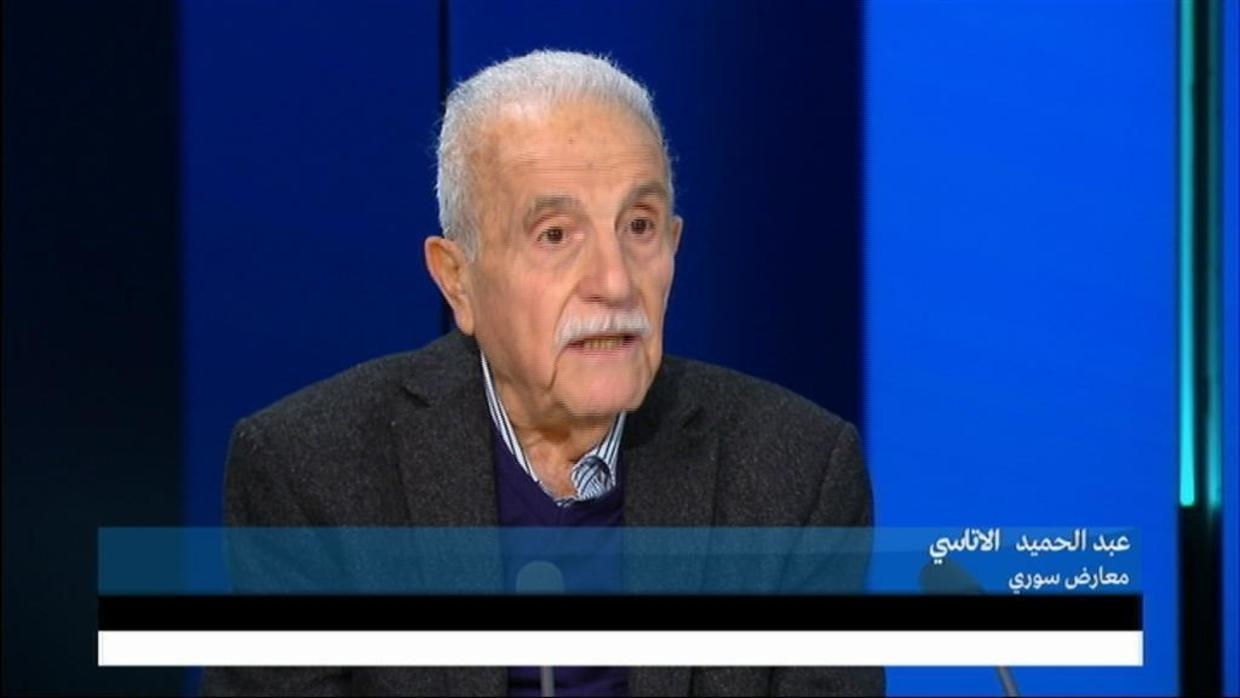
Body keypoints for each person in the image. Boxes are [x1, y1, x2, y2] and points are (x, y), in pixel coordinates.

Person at [202, 50, 883, 697]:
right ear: (457, 279)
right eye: (555, 235)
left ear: (674, 247)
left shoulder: (798, 473)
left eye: (639, 227)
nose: (615, 282)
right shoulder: (311, 471)